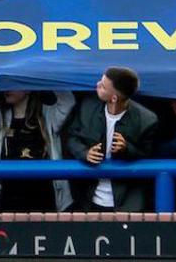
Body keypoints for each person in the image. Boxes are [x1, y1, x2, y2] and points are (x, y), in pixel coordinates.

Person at [60, 67, 156, 212]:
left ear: (114, 98)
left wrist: (126, 149)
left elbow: (148, 155)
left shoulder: (146, 120)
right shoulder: (87, 106)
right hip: (87, 196)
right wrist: (84, 153)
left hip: (127, 200)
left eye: (103, 86)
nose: (97, 85)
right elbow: (72, 138)